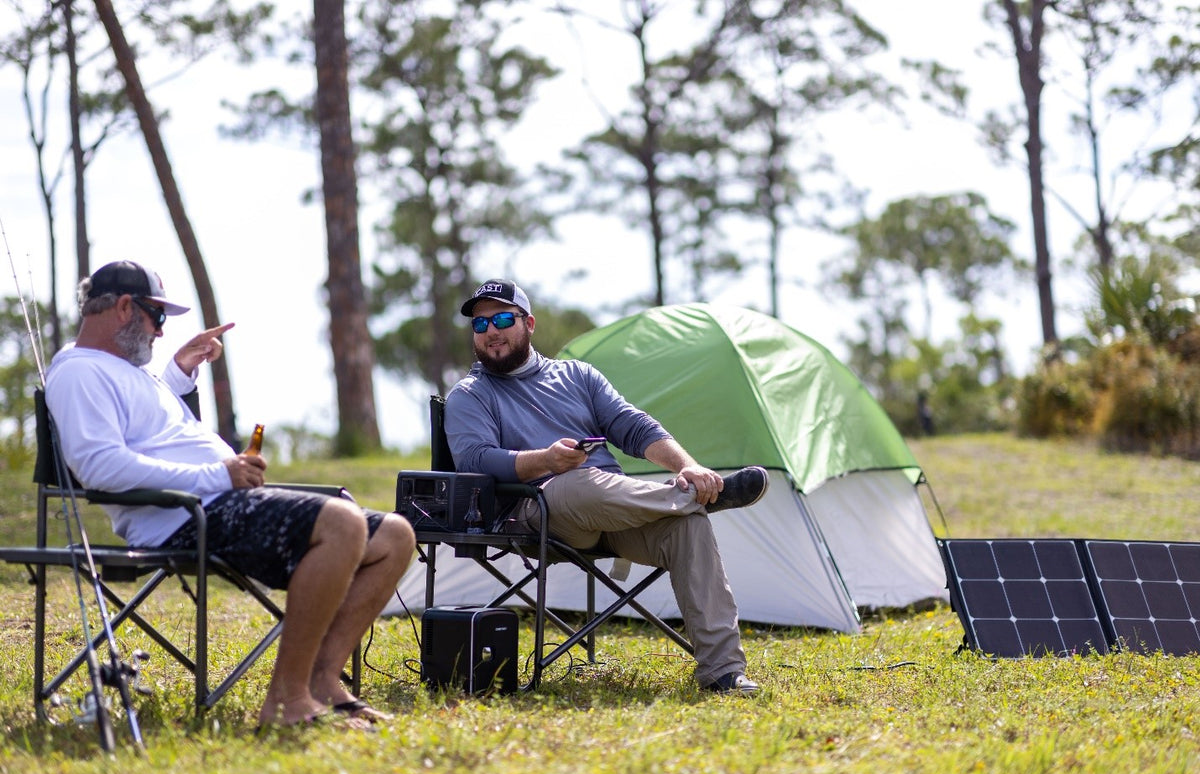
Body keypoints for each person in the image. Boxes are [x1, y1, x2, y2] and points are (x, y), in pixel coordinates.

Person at [45, 260, 416, 730]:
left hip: (217, 505)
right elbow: (100, 468)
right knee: (342, 522)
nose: (160, 332)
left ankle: (323, 680)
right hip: (181, 520)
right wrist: (221, 475)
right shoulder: (80, 373)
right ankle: (286, 699)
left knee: (396, 536)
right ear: (123, 308)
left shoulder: (125, 371)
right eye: (157, 316)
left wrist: (180, 371)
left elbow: (153, 424)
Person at [444, 278, 767, 695]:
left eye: (503, 318)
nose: (491, 331)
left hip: (612, 509)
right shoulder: (470, 395)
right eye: (480, 324)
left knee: (688, 526)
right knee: (580, 482)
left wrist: (688, 467)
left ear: (529, 323)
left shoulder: (577, 376)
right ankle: (695, 497)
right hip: (537, 514)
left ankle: (722, 670)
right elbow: (474, 460)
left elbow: (633, 427)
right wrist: (545, 460)